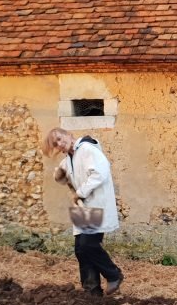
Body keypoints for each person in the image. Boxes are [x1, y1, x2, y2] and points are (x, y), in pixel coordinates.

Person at [42, 127, 123, 296]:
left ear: (69, 135)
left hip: (95, 204)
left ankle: (113, 274)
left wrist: (80, 192)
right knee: (80, 248)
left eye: (60, 138)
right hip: (84, 207)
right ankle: (91, 289)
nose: (59, 143)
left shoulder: (87, 149)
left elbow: (100, 173)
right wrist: (58, 175)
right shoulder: (69, 157)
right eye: (55, 143)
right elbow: (62, 176)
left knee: (88, 244)